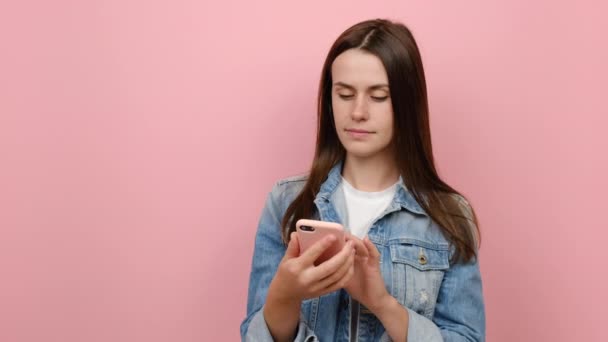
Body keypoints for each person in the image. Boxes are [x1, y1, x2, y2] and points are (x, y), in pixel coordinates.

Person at [240, 18, 485, 342]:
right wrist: (284, 295)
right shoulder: (285, 203)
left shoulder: (449, 216)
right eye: (344, 94)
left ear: (407, 103)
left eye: (378, 96)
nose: (357, 111)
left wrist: (381, 303)